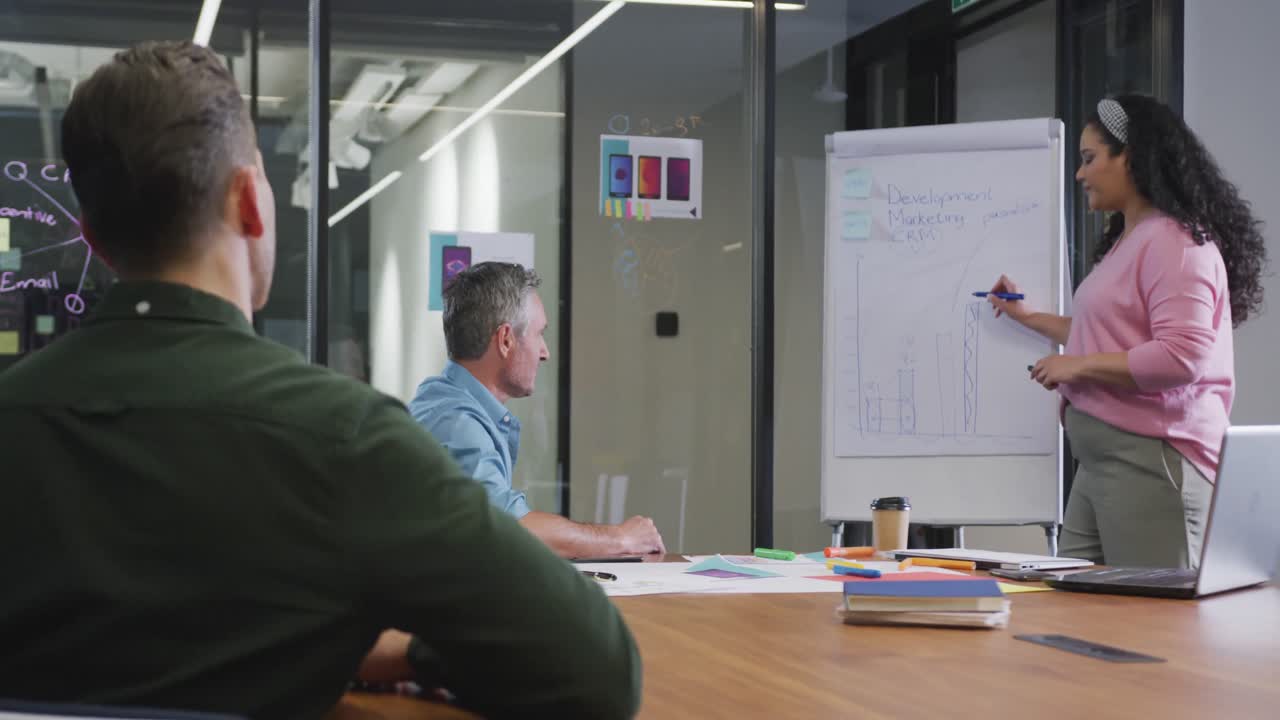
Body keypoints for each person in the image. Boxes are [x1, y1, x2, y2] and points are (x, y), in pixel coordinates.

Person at [0, 41, 641, 720]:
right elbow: (595, 672)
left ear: (92, 237)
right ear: (250, 201)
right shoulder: (348, 438)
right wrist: (392, 650)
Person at [988, 94, 1266, 569]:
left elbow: (1181, 358)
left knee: (1153, 629)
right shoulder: (1130, 241)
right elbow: (1109, 334)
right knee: (1077, 615)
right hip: (1101, 465)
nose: (1079, 174)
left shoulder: (1175, 243)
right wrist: (1029, 317)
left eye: (1090, 159)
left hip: (1150, 462)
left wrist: (1077, 366)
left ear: (1131, 157)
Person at [410, 262, 666, 558]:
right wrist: (620, 538)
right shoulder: (456, 422)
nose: (545, 352)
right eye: (538, 335)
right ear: (506, 339)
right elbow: (506, 528)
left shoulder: (442, 401)